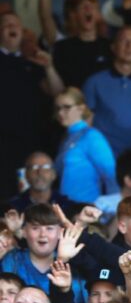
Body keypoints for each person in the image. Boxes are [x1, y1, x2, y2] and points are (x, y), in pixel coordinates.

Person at [0, 12, 64, 197]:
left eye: (16, 25)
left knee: (30, 198)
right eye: (6, 25)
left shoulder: (32, 63)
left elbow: (58, 93)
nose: (12, 28)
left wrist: (49, 67)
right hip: (3, 144)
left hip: (31, 143)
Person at [82, 25, 131, 156]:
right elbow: (84, 125)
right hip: (102, 157)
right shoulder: (94, 82)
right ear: (113, 47)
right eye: (124, 41)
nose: (129, 46)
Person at [53, 88, 118, 204]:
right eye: (58, 108)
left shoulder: (92, 136)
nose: (60, 113)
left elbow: (111, 174)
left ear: (81, 108)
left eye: (66, 107)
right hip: (66, 208)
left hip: (86, 209)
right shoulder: (65, 138)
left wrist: (112, 210)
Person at [9, 153, 76, 213]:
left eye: (45, 167)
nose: (40, 172)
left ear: (54, 174)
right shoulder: (13, 208)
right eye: (34, 167)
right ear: (26, 174)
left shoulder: (68, 206)